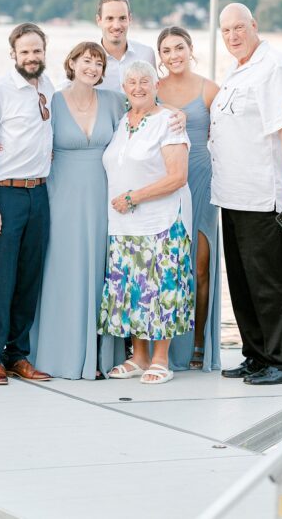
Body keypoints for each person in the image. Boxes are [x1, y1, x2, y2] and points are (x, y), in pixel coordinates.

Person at [210, 3, 282, 386]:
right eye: (226, 30)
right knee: (244, 284)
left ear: (254, 25)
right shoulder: (237, 70)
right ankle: (256, 355)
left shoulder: (273, 67)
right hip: (232, 194)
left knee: (270, 283)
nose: (232, 36)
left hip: (263, 195)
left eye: (239, 28)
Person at [29, 42, 126, 380]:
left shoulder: (114, 101)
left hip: (103, 199)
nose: (93, 68)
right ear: (71, 62)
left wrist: (180, 115)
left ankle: (99, 358)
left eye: (98, 63)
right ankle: (57, 354)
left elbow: (150, 109)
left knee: (101, 273)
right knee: (61, 271)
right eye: (87, 61)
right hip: (61, 196)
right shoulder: (51, 100)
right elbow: (23, 130)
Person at [99, 60, 193, 386]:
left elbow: (178, 176)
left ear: (156, 86)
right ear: (124, 89)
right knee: (132, 289)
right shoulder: (123, 121)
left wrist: (134, 197)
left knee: (161, 287)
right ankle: (138, 357)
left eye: (145, 81)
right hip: (123, 225)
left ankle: (161, 359)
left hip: (160, 221)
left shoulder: (168, 121)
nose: (138, 87)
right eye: (132, 82)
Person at [0, 22, 55, 385]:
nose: (31, 57)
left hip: (39, 192)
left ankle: (18, 354)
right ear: (14, 55)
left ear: (44, 52)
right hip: (6, 194)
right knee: (3, 277)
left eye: (37, 51)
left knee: (29, 277)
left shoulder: (50, 87)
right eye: (25, 52)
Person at [155, 27, 222, 373]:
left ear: (190, 49)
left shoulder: (209, 89)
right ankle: (167, 345)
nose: (173, 55)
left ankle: (198, 345)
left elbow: (228, 136)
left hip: (202, 179)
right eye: (166, 51)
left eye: (179, 47)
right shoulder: (153, 90)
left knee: (200, 266)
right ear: (160, 57)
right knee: (169, 265)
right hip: (167, 181)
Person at [94, 0, 156, 91]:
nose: (116, 26)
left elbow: (154, 95)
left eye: (122, 18)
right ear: (99, 20)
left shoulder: (146, 54)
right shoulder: (85, 60)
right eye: (110, 18)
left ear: (130, 19)